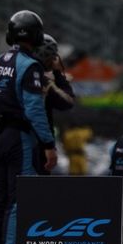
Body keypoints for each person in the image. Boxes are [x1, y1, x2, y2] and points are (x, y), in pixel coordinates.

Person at [0, 10, 57, 244]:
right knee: (19, 199)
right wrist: (48, 144)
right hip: (19, 137)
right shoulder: (30, 66)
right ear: (36, 35)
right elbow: (35, 109)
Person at [34, 34, 75, 174]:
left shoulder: (11, 68)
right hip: (36, 144)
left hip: (8, 138)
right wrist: (58, 73)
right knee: (32, 184)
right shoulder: (43, 81)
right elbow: (67, 101)